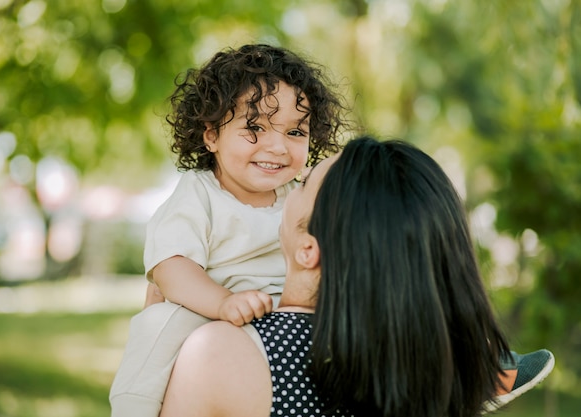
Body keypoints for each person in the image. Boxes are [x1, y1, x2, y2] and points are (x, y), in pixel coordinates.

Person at [159, 136, 555, 417]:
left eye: (303, 183)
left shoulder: (221, 354)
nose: (288, 186)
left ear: (308, 248)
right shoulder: (425, 371)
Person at [109, 44, 349, 417]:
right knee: (157, 322)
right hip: (203, 306)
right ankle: (133, 409)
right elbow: (170, 268)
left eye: (295, 132)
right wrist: (222, 302)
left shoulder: (298, 198)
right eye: (254, 127)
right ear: (211, 136)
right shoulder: (198, 193)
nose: (277, 146)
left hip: (278, 314)